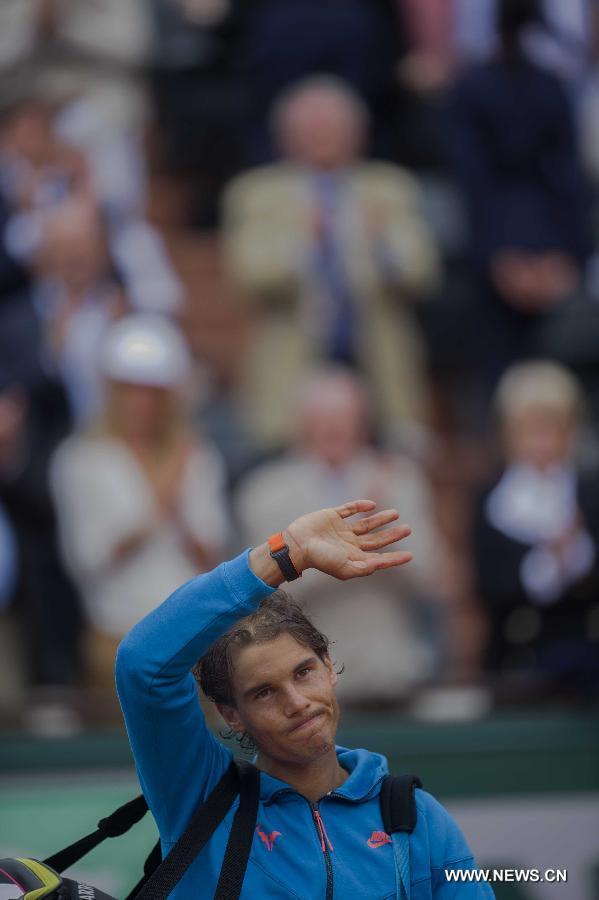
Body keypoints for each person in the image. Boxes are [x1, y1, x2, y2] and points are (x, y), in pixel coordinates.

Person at [117, 500, 493, 897]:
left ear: (328, 666)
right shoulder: (199, 796)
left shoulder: (415, 816)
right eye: (264, 692)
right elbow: (143, 665)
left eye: (303, 672)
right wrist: (285, 554)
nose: (297, 702)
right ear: (232, 714)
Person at [222, 75, 441, 451]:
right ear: (285, 136)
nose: (322, 137)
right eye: (311, 128)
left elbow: (423, 273)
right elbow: (248, 276)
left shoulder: (389, 187)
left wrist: (383, 244)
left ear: (358, 134)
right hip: (294, 367)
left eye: (333, 127)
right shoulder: (257, 193)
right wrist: (304, 245)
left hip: (376, 364)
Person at [235, 368, 448, 702]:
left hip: (390, 667)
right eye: (322, 418)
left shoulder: (400, 480)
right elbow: (265, 592)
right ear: (300, 424)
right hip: (304, 673)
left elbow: (433, 578)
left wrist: (380, 527)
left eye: (343, 417)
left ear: (363, 422)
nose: (333, 428)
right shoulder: (266, 492)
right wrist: (343, 548)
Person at [51, 313, 230, 692]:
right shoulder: (81, 458)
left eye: (153, 391)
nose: (141, 403)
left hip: (196, 637)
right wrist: (160, 503)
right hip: (118, 635)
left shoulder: (196, 455)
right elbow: (88, 560)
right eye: (130, 389)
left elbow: (214, 557)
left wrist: (178, 513)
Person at [472, 361, 599, 694]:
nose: (542, 443)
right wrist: (548, 559)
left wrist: (575, 552)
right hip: (518, 664)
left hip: (587, 666)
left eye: (552, 430)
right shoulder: (492, 500)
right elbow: (490, 586)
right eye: (530, 430)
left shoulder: (590, 494)